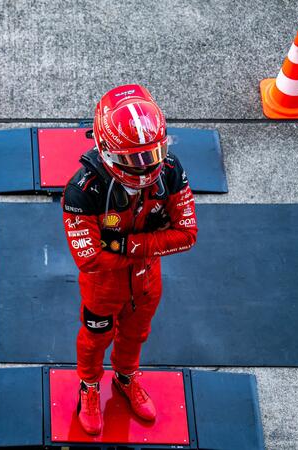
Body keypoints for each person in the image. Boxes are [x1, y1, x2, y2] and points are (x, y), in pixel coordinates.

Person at [61, 85, 198, 435]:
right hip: (102, 288)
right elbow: (90, 260)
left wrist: (125, 246)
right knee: (95, 339)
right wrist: (154, 241)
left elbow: (187, 235)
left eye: (153, 153)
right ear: (106, 150)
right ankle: (89, 386)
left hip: (148, 281)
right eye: (135, 158)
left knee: (136, 334)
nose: (147, 165)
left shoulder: (169, 168)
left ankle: (125, 377)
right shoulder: (83, 188)